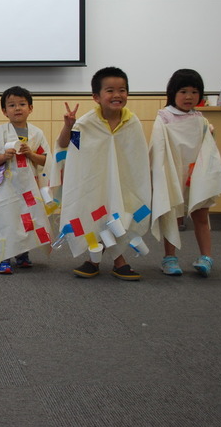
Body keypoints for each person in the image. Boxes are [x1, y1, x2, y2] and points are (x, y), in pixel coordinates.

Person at [50, 67, 151, 281]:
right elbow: (66, 145)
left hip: (124, 183)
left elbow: (137, 157)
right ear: (96, 97)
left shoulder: (132, 123)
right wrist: (69, 126)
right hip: (94, 181)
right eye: (110, 90)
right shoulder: (85, 123)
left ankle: (116, 261)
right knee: (94, 213)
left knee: (121, 213)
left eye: (122, 90)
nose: (117, 95)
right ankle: (96, 259)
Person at [150, 69, 221, 277]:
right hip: (173, 174)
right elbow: (158, 147)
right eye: (183, 91)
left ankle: (206, 257)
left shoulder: (200, 119)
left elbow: (207, 148)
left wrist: (210, 134)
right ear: (173, 93)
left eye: (194, 92)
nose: (189, 97)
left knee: (201, 215)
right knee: (173, 216)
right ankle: (169, 258)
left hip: (196, 174)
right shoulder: (165, 117)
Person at [0, 86, 53, 274]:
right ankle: (2, 258)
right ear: (4, 111)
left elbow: (46, 160)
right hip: (6, 186)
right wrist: (4, 157)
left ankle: (22, 253)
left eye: (22, 104)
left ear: (30, 108)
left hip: (29, 186)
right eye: (12, 105)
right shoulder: (0, 132)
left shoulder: (37, 133)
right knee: (5, 219)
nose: (17, 108)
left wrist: (31, 154)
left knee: (27, 218)